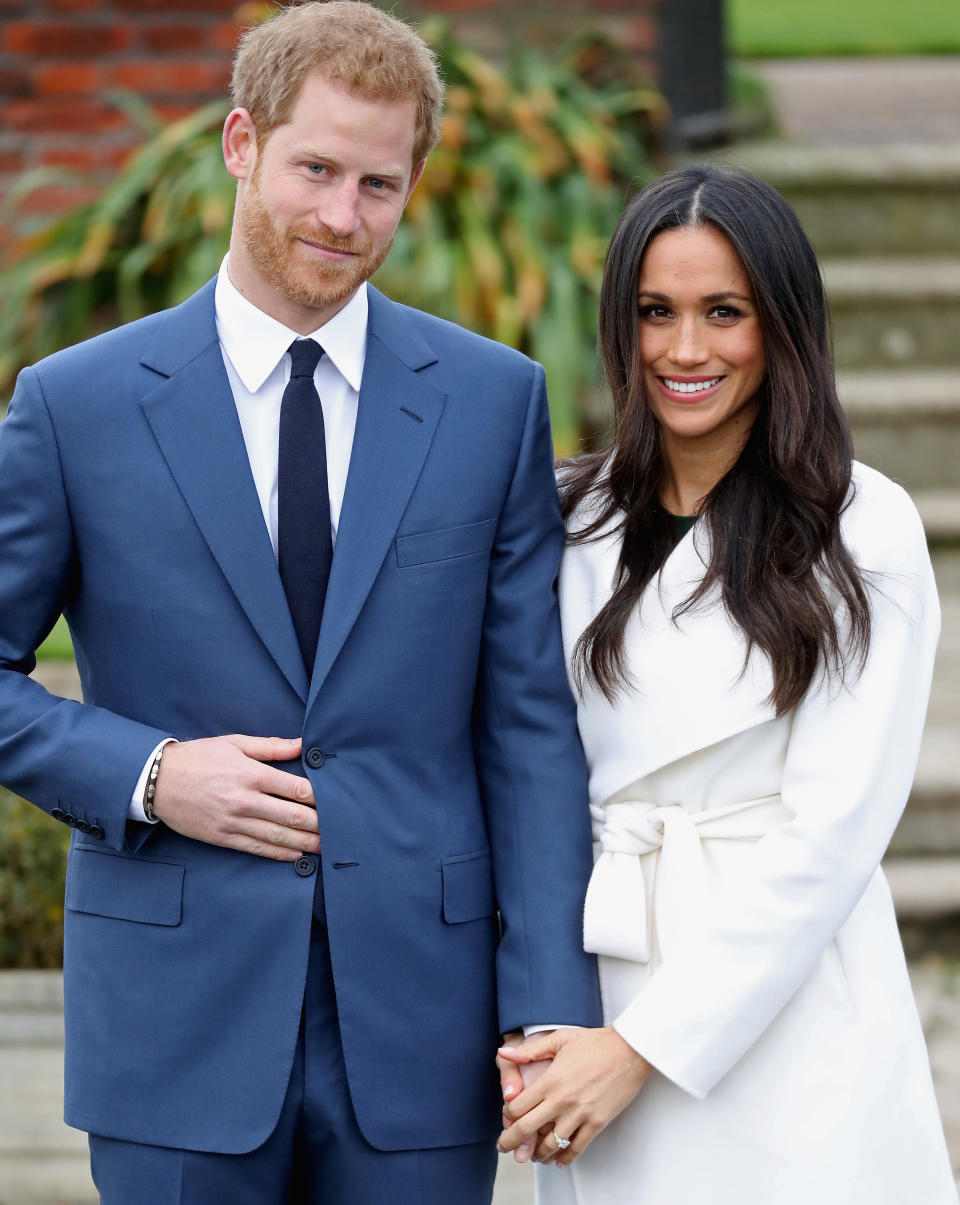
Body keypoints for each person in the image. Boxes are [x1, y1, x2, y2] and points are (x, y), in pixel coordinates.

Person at [0, 3, 602, 1201]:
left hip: (424, 1028)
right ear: (240, 143)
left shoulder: (494, 402)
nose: (343, 217)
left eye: (379, 184)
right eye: (315, 168)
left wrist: (549, 1012)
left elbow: (531, 728)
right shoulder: (76, 405)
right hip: (175, 1022)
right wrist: (156, 773)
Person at [497, 164, 959, 1204]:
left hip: (782, 1003)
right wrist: (545, 1022)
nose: (686, 349)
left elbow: (831, 832)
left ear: (783, 325)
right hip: (596, 981)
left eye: (725, 313)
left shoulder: (860, 526)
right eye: (656, 312)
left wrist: (644, 1048)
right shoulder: (566, 514)